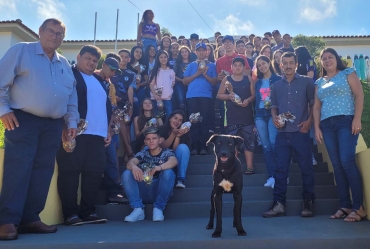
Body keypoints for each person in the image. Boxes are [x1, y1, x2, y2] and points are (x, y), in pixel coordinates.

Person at [0, 18, 78, 240]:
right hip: (22, 119)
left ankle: (30, 218)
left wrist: (70, 122)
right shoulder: (21, 51)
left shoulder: (65, 64)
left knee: (43, 171)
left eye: (59, 34)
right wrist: (3, 109)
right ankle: (7, 221)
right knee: (18, 169)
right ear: (40, 31)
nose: (54, 37)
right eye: (50, 32)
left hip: (53, 125)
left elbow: (71, 97)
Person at [57, 45, 112, 226]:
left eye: (95, 60)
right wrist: (65, 125)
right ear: (79, 57)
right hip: (75, 132)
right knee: (70, 172)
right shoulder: (69, 74)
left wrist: (108, 130)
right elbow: (62, 100)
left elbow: (106, 108)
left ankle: (88, 211)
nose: (91, 62)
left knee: (94, 173)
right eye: (88, 58)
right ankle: (70, 214)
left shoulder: (99, 80)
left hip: (97, 135)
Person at [313, 48, 366, 222]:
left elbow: (359, 95)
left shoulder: (348, 73)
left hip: (345, 121)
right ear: (321, 63)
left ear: (336, 59)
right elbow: (316, 107)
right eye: (324, 59)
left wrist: (357, 119)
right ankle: (345, 205)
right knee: (336, 165)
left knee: (347, 161)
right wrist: (317, 127)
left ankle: (359, 207)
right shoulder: (319, 82)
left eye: (330, 57)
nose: (327, 61)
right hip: (327, 125)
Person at [263, 52, 315, 218]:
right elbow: (273, 106)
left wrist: (309, 122)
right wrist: (274, 119)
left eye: (291, 62)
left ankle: (308, 202)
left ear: (297, 64)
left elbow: (314, 104)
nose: (288, 66)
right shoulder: (277, 85)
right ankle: (279, 204)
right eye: (284, 63)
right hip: (282, 134)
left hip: (301, 132)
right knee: (280, 169)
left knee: (306, 168)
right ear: (280, 65)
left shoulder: (307, 82)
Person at [122, 128, 177, 222]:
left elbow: (174, 161)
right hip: (143, 189)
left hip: (159, 190)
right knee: (127, 173)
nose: (151, 141)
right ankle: (138, 209)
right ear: (145, 142)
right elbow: (130, 163)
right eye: (148, 139)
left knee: (169, 173)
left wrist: (159, 167)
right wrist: (134, 167)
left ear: (159, 140)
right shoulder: (143, 153)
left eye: (154, 138)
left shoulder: (167, 152)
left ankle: (158, 209)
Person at [217, 57, 256, 175]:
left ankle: (250, 167)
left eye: (240, 65)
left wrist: (248, 101)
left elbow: (254, 95)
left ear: (244, 68)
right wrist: (229, 97)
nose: (238, 67)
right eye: (235, 65)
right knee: (231, 144)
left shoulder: (248, 78)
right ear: (231, 67)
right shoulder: (226, 79)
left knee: (248, 142)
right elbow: (219, 95)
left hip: (247, 116)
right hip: (232, 117)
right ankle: (232, 167)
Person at [98, 55, 128, 204]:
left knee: (111, 158)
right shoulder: (91, 78)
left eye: (116, 72)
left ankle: (114, 191)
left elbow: (113, 108)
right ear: (104, 65)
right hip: (90, 128)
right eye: (112, 70)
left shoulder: (110, 86)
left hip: (106, 129)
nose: (113, 74)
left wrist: (109, 130)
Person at [183, 42, 217, 155]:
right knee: (193, 121)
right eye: (199, 50)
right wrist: (197, 74)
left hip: (206, 97)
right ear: (196, 52)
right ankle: (194, 146)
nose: (201, 52)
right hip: (192, 96)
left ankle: (203, 146)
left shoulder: (211, 65)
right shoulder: (192, 65)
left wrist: (206, 74)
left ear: (206, 52)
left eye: (203, 50)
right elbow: (185, 81)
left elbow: (214, 82)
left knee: (204, 121)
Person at [254, 55, 281, 187]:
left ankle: (280, 176)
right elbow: (256, 101)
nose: (262, 66)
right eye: (259, 65)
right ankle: (271, 176)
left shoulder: (278, 79)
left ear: (269, 63)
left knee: (273, 144)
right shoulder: (258, 82)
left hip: (272, 113)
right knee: (265, 146)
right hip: (260, 114)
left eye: (264, 63)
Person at [112, 49, 136, 162]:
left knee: (126, 128)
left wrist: (130, 106)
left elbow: (130, 90)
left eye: (126, 57)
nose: (124, 59)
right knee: (115, 128)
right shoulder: (113, 71)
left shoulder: (131, 74)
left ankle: (128, 155)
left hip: (125, 104)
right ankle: (122, 153)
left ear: (129, 59)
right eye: (121, 56)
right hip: (113, 104)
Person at [295, 46, 318, 165]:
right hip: (301, 94)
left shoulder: (309, 61)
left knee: (308, 122)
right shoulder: (298, 65)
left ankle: (311, 155)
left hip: (308, 93)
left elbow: (310, 76)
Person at [159, 110, 191, 188]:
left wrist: (178, 136)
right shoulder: (162, 129)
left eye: (180, 120)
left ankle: (181, 179)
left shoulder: (184, 132)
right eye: (175, 118)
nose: (177, 121)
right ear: (170, 118)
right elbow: (162, 147)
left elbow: (174, 151)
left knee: (183, 147)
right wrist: (173, 134)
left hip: (176, 161)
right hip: (161, 160)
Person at [149, 50, 175, 118]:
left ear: (167, 58)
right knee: (157, 117)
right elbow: (151, 84)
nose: (163, 59)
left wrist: (169, 92)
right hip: (156, 99)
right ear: (158, 59)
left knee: (169, 116)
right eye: (161, 57)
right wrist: (155, 95)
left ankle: (167, 129)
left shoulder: (171, 71)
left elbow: (172, 83)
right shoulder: (155, 71)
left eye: (165, 57)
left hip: (167, 99)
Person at [128, 46, 148, 118]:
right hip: (129, 90)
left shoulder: (143, 66)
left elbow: (147, 81)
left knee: (140, 107)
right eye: (137, 52)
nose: (138, 54)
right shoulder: (127, 65)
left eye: (140, 53)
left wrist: (140, 84)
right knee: (134, 105)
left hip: (140, 90)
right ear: (132, 52)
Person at [173, 46, 194, 111]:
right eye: (182, 52)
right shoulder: (177, 63)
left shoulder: (193, 63)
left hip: (191, 84)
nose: (184, 53)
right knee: (181, 101)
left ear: (188, 52)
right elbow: (173, 75)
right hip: (179, 83)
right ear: (180, 54)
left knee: (190, 102)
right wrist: (182, 80)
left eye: (186, 52)